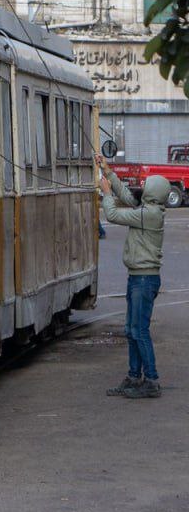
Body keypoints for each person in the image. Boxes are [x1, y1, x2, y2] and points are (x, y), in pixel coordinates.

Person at [96, 155, 167, 399]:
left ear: (153, 193)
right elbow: (127, 197)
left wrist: (106, 193)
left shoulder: (150, 214)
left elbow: (114, 215)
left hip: (144, 280)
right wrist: (109, 172)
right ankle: (134, 377)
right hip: (138, 277)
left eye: (147, 185)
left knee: (139, 331)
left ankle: (152, 380)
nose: (143, 187)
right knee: (131, 329)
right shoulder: (149, 209)